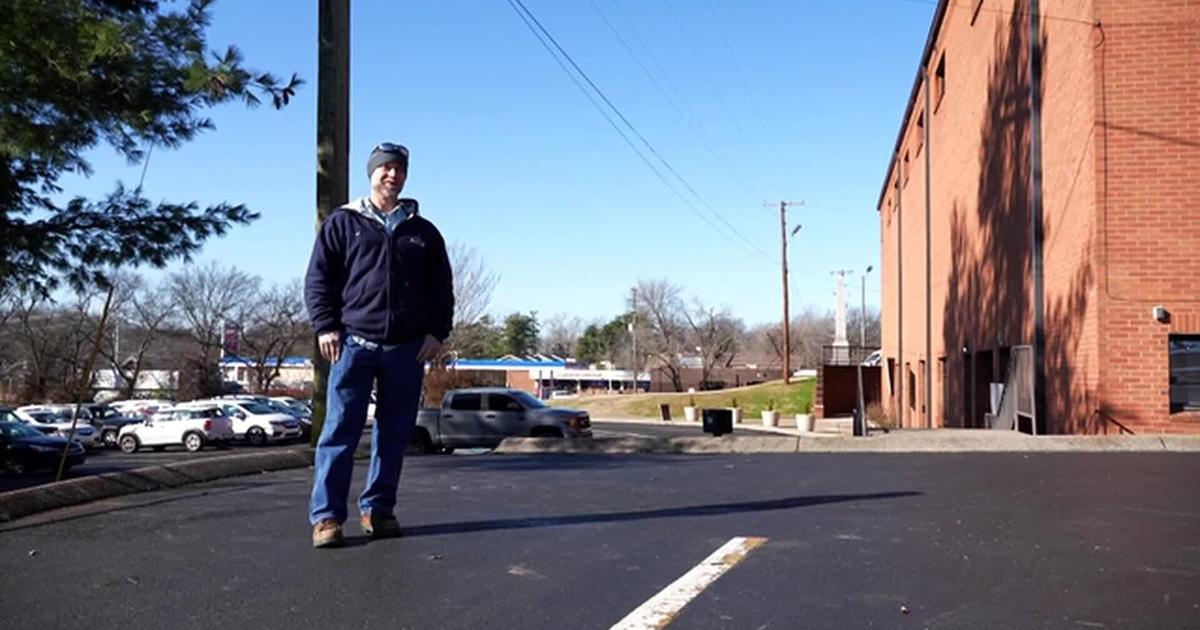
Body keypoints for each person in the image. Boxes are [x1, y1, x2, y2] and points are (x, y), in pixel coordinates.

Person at [304, 142, 454, 548]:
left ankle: (378, 509)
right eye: (385, 168)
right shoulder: (343, 223)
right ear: (371, 173)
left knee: (394, 433)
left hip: (407, 349)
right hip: (353, 344)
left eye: (398, 169)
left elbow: (442, 289)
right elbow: (319, 279)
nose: (392, 175)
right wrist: (326, 326)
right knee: (339, 431)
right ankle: (328, 519)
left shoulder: (423, 232)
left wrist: (436, 333)